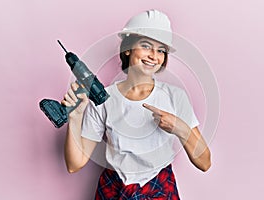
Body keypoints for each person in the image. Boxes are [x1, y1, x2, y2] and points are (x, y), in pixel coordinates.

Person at [61, 9, 211, 199]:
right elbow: (75, 164)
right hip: (114, 191)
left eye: (161, 50)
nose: (153, 56)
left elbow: (204, 163)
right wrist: (75, 117)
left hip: (159, 189)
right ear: (128, 48)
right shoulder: (103, 98)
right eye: (146, 45)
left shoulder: (175, 96)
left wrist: (180, 128)